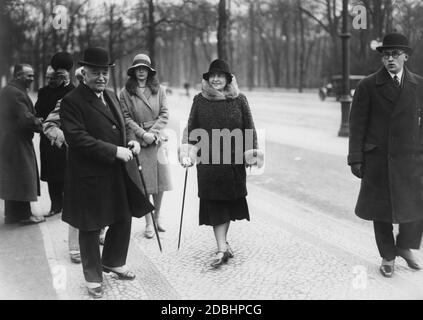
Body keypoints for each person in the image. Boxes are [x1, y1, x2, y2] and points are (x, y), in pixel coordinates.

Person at [60, 47, 154, 298]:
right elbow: (78, 138)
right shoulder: (72, 101)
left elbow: (123, 123)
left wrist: (131, 140)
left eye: (105, 72)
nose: (101, 77)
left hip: (115, 170)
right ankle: (92, 276)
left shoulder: (111, 95)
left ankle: (113, 260)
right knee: (90, 225)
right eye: (95, 72)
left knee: (122, 216)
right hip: (88, 174)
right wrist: (114, 151)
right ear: (83, 74)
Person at [348, 33, 423, 278]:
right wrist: (356, 157)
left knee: (416, 206)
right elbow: (357, 124)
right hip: (378, 158)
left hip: (411, 158)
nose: (390, 59)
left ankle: (404, 245)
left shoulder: (419, 84)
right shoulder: (368, 85)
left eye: (395, 54)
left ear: (406, 56)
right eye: (386, 55)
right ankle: (388, 255)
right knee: (381, 211)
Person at [180, 59, 263, 268]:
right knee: (215, 205)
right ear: (208, 79)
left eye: (220, 75)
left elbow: (249, 128)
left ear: (228, 79)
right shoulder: (200, 100)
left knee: (228, 205)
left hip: (233, 163)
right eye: (212, 75)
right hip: (209, 164)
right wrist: (187, 152)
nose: (216, 79)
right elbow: (191, 128)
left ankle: (223, 243)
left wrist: (251, 153)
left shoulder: (240, 100)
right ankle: (221, 248)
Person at [119, 53, 172, 239]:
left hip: (157, 140)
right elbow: (125, 117)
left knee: (160, 183)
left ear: (150, 72)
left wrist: (154, 133)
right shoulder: (125, 92)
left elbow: (164, 114)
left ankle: (157, 218)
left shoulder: (160, 90)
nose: (141, 72)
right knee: (144, 185)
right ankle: (148, 222)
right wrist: (143, 135)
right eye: (138, 69)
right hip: (138, 141)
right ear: (133, 72)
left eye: (144, 69)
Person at [0, 64, 45, 224]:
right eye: (29, 75)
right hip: (18, 141)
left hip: (8, 140)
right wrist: (40, 125)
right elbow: (25, 119)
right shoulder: (16, 93)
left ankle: (12, 215)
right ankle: (24, 215)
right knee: (24, 176)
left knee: (13, 177)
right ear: (18, 75)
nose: (32, 79)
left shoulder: (9, 90)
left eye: (33, 75)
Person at [35, 52, 75, 217]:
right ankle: (55, 205)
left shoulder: (69, 91)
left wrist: (67, 83)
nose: (51, 81)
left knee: (66, 173)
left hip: (64, 137)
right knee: (51, 175)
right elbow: (37, 110)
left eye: (55, 78)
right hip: (47, 138)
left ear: (62, 78)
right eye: (48, 78)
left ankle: (68, 204)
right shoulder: (43, 92)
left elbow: (73, 97)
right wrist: (39, 118)